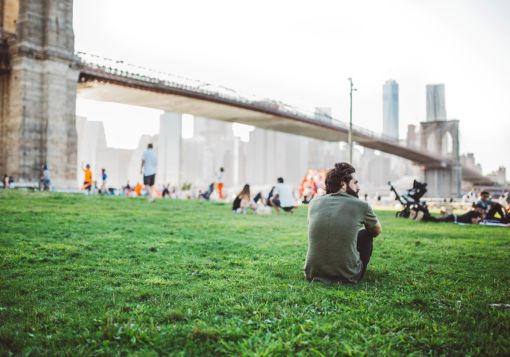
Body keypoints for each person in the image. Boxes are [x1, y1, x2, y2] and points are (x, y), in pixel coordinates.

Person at [304, 162, 382, 284]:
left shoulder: (314, 203)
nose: (358, 187)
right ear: (343, 184)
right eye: (355, 183)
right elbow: (376, 231)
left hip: (312, 272)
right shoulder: (361, 205)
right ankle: (349, 268)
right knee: (366, 234)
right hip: (347, 275)